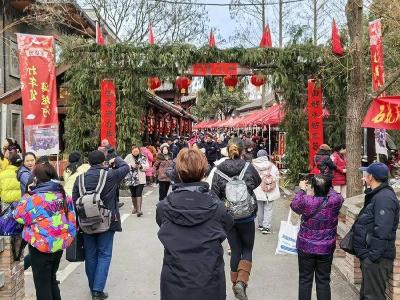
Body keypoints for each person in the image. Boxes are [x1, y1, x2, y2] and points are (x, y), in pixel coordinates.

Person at [156, 148, 233, 300]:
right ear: (204, 170)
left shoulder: (164, 207)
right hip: (209, 279)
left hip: (174, 279)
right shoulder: (217, 207)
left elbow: (161, 222)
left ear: (177, 171)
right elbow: (228, 225)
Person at [14, 162, 77, 300]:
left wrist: (27, 193)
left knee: (42, 285)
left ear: (36, 178)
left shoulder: (35, 198)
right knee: (51, 280)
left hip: (40, 246)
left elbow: (18, 215)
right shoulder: (63, 195)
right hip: (59, 244)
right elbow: (72, 219)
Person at [72, 150, 129, 300]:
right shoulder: (110, 175)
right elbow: (126, 167)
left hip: (86, 223)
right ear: (104, 161)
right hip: (106, 221)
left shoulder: (80, 179)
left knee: (91, 255)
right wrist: (115, 157)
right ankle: (98, 290)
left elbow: (74, 201)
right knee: (104, 254)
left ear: (88, 162)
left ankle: (93, 288)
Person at [212, 138, 261, 300]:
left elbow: (214, 193)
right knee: (247, 249)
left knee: (235, 250)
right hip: (247, 215)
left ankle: (235, 285)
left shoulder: (219, 169)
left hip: (229, 217)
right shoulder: (248, 167)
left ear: (228, 150)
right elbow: (257, 182)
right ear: (241, 151)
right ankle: (242, 282)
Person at [290, 175, 344, 300]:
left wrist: (302, 189)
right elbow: (337, 194)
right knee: (324, 281)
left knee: (305, 280)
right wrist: (326, 185)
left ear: (313, 188)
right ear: (329, 187)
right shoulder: (335, 201)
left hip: (306, 247)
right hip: (326, 248)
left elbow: (294, 205)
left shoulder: (306, 201)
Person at [354, 162, 399, 300]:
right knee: (367, 295)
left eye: (366, 173)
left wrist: (372, 257)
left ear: (371, 177)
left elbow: (382, 230)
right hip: (372, 257)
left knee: (373, 297)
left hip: (377, 259)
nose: (364, 176)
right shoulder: (378, 194)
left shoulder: (384, 198)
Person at [252, 150, 280, 234]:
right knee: (269, 208)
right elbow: (277, 176)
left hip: (258, 190)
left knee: (259, 208)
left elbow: (251, 178)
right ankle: (266, 227)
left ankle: (260, 225)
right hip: (270, 189)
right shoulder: (272, 165)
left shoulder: (253, 166)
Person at [125, 146, 148, 217]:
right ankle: (135, 207)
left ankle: (139, 210)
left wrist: (140, 166)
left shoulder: (143, 156)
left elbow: (147, 166)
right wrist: (132, 166)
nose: (135, 152)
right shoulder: (128, 156)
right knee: (133, 193)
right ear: (131, 151)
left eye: (137, 151)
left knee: (139, 193)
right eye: (134, 151)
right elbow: (124, 165)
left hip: (140, 178)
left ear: (139, 151)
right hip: (131, 178)